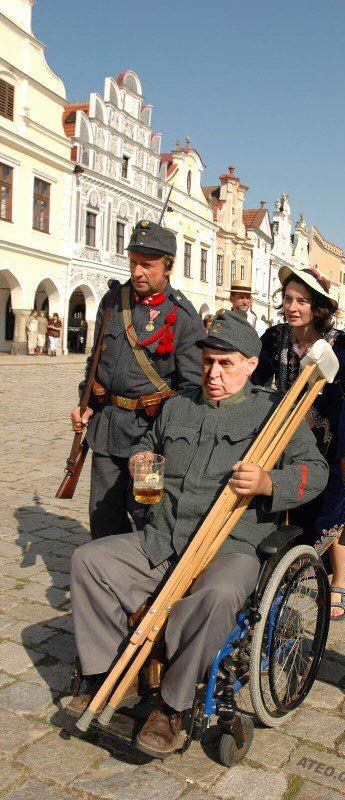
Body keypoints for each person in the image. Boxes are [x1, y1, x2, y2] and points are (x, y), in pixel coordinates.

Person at [67, 310, 328, 758]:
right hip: (164, 537)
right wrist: (143, 459)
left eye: (226, 364)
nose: (213, 373)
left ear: (250, 364)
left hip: (231, 546)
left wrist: (269, 484)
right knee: (88, 561)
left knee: (217, 596)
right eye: (208, 362)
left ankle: (173, 705)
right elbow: (149, 442)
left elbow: (316, 472)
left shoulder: (274, 415)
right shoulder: (178, 405)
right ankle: (111, 675)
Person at [70, 220, 204, 539]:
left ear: (168, 267)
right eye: (133, 263)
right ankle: (104, 583)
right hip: (106, 428)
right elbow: (95, 360)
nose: (138, 272)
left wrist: (169, 440)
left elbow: (191, 390)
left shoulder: (183, 318)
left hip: (149, 438)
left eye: (147, 265)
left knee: (148, 518)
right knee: (103, 518)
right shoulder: (113, 301)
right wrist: (84, 404)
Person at [252, 266, 345, 621]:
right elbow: (256, 377)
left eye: (302, 301)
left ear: (318, 306)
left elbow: (335, 378)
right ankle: (281, 573)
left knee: (330, 511)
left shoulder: (337, 340)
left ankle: (337, 581)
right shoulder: (274, 337)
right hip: (282, 439)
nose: (292, 306)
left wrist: (317, 364)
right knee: (282, 503)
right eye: (288, 299)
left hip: (326, 441)